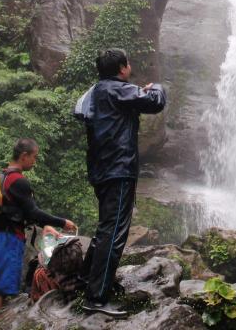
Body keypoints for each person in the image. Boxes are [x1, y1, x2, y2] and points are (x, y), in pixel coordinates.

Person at [73, 47, 166, 317]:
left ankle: (85, 280)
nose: (130, 66)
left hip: (102, 169)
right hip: (118, 169)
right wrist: (155, 87)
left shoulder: (98, 90)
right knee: (113, 233)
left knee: (106, 229)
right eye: (128, 63)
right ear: (122, 68)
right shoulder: (117, 89)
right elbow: (156, 102)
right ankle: (96, 298)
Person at [0, 138, 76, 330]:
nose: (35, 162)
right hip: (7, 242)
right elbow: (33, 213)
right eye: (34, 157)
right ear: (24, 156)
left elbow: (14, 213)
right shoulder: (19, 181)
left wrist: (45, 226)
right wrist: (62, 222)